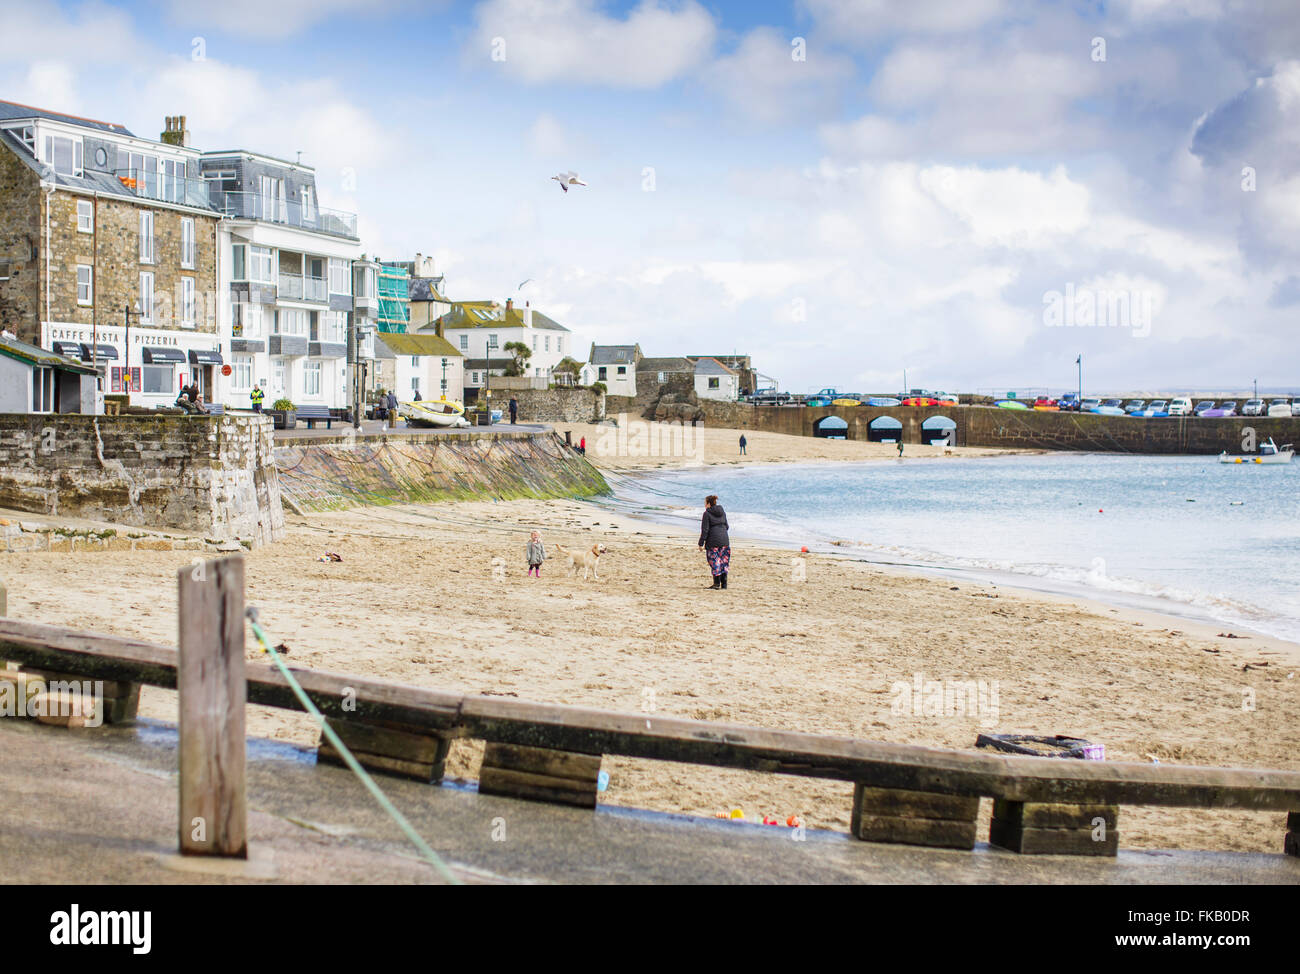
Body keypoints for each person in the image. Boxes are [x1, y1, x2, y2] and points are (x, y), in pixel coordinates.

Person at [698, 494, 730, 590]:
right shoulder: (722, 512)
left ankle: (716, 584)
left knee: (715, 562)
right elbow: (727, 526)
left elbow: (705, 530)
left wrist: (701, 543)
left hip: (713, 542)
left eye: (705, 503)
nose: (704, 505)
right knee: (724, 562)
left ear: (708, 504)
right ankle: (724, 585)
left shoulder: (706, 514)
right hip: (725, 540)